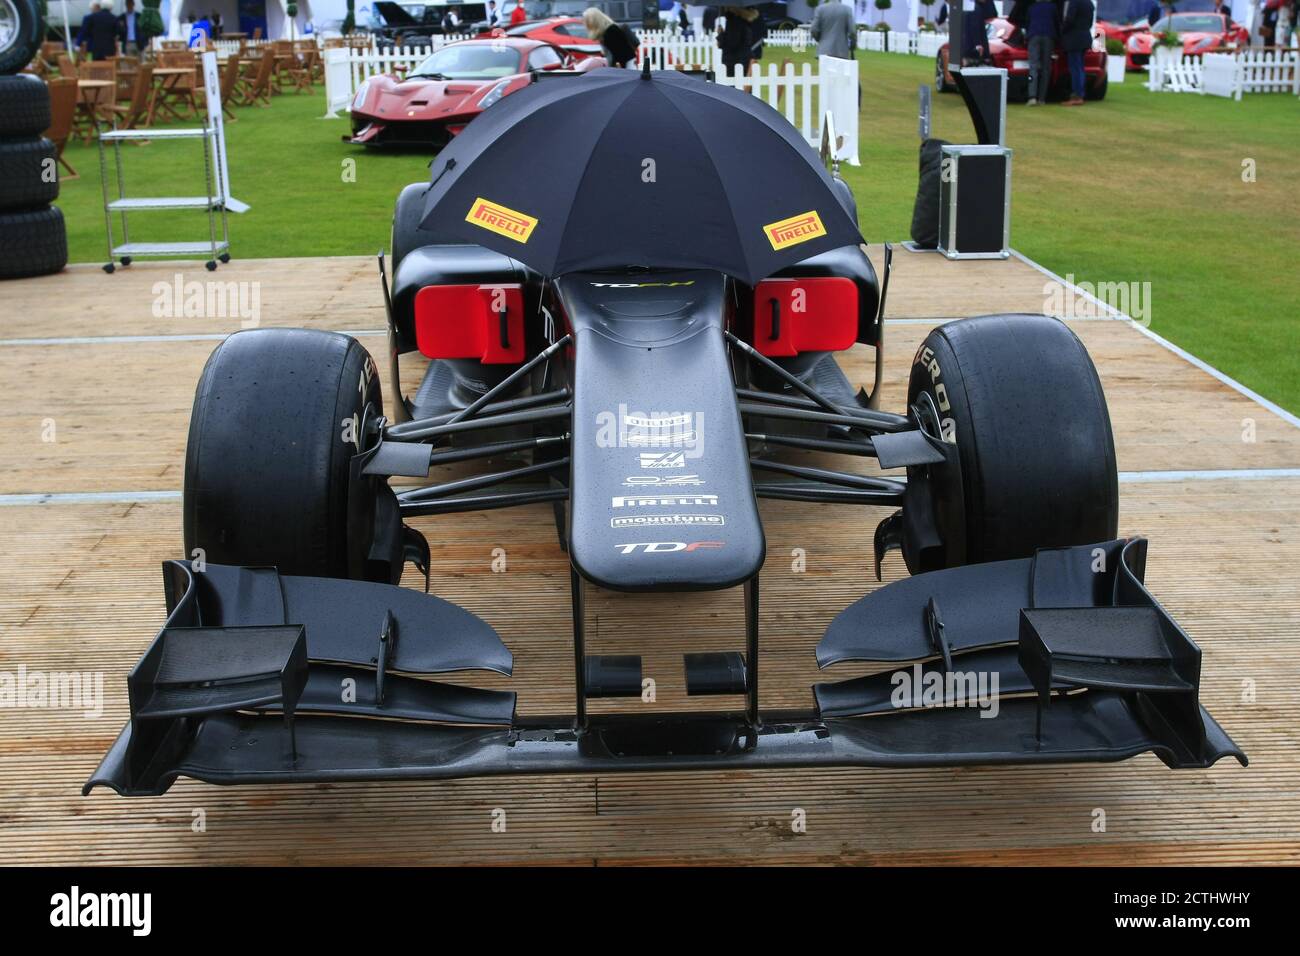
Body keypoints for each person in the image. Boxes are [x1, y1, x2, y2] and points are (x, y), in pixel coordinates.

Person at [1060, 0, 1094, 105]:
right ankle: (1080, 94)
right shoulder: (1089, 3)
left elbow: (1070, 19)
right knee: (1080, 68)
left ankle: (1076, 96)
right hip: (1085, 37)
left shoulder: (1074, 2)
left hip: (1074, 39)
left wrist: (1061, 30)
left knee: (1075, 69)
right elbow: (1090, 22)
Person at [1026, 0, 1059, 105]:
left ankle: (1032, 97)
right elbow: (1057, 23)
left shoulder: (1032, 7)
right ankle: (1042, 98)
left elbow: (1027, 23)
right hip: (1049, 36)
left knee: (1033, 67)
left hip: (1034, 36)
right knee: (1046, 68)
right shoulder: (1053, 7)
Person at [717, 6, 760, 75]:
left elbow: (732, 43)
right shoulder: (745, 20)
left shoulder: (734, 21)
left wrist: (721, 35)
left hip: (734, 62)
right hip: (744, 59)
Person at [963, 0, 999, 65]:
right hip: (973, 50)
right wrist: (978, 44)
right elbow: (974, 28)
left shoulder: (971, 7)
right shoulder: (975, 9)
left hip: (969, 48)